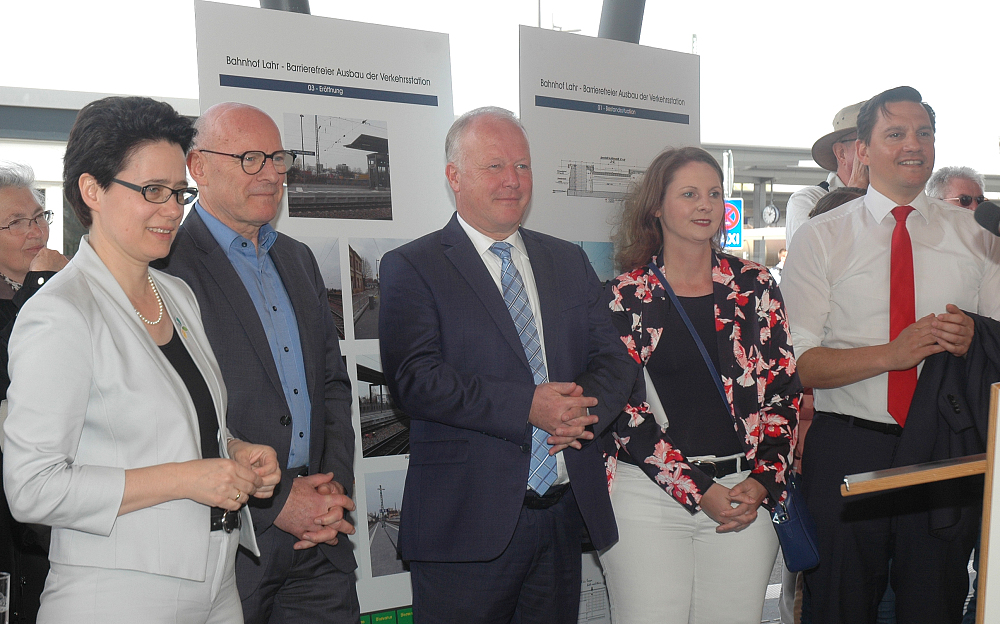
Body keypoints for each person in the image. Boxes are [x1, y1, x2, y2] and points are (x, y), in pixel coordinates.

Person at [2, 96, 281, 623]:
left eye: (179, 192)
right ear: (92, 191)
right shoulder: (61, 313)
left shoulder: (177, 295)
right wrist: (186, 479)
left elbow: (179, 427)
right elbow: (32, 488)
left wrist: (235, 451)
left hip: (217, 578)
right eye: (153, 191)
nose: (173, 209)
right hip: (115, 594)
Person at [378, 107, 635, 624]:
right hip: (463, 527)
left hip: (559, 517)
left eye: (522, 166)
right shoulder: (413, 266)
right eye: (494, 166)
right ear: (454, 176)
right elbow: (415, 380)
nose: (512, 180)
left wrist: (577, 412)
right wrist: (528, 406)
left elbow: (613, 359)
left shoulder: (566, 260)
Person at [782, 86, 1000, 624]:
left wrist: (975, 336)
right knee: (837, 607)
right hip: (848, 446)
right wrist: (891, 354)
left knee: (936, 604)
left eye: (924, 133)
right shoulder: (821, 238)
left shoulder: (976, 236)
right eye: (896, 133)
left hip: (945, 449)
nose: (913, 145)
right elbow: (799, 363)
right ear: (863, 148)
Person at [158, 102, 359, 623]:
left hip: (322, 540)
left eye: (277, 158)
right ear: (198, 167)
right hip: (230, 544)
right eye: (250, 159)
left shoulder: (297, 258)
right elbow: (170, 411)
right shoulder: (167, 265)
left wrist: (332, 488)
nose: (271, 174)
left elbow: (332, 385)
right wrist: (277, 501)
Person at [598, 146, 800, 624]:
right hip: (646, 497)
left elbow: (783, 391)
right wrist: (697, 488)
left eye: (714, 193)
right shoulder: (625, 296)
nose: (705, 205)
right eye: (689, 194)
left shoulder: (755, 286)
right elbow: (623, 412)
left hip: (743, 495)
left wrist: (764, 480)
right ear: (656, 206)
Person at [0, 162, 68, 623]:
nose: (35, 231)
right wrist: (39, 286)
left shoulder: (68, 281)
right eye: (16, 223)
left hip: (63, 492)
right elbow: (12, 368)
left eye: (39, 217)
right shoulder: (39, 287)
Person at [784, 101, 868, 242]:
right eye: (867, 142)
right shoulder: (807, 200)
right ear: (841, 153)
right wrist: (856, 190)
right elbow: (818, 250)